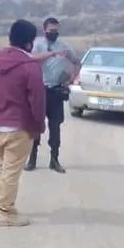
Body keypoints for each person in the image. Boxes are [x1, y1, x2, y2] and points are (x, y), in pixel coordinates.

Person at [0, 19, 46, 227]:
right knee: (11, 170)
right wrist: (39, 125)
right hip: (18, 125)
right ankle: (5, 212)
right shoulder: (30, 66)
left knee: (3, 165)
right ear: (29, 43)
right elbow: (37, 100)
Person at [24, 17, 81, 173]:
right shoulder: (37, 44)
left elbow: (76, 62)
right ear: (45, 30)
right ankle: (32, 159)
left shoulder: (64, 46)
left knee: (55, 127)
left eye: (56, 30)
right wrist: (50, 54)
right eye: (51, 30)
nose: (54, 33)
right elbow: (30, 59)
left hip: (56, 91)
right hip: (39, 90)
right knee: (36, 125)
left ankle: (54, 160)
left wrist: (72, 78)